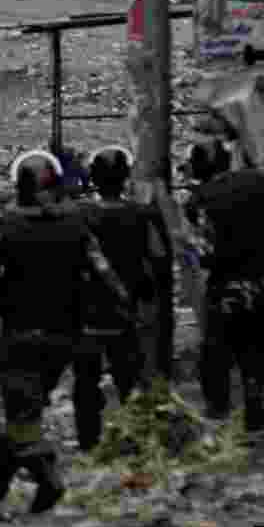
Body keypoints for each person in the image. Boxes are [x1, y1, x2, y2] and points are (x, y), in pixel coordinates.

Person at [0, 149, 134, 521]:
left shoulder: (5, 228)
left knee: (23, 417)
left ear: (18, 186)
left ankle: (46, 475)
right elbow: (107, 279)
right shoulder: (76, 227)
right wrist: (118, 311)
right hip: (63, 338)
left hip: (20, 337)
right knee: (24, 416)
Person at [181, 139, 264, 432]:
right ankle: (255, 406)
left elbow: (205, 251)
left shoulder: (199, 199)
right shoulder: (260, 181)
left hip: (228, 287)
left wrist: (193, 253)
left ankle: (219, 412)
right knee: (256, 347)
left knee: (217, 350)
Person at [71, 146, 164, 451]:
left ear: (94, 177)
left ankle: (88, 442)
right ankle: (134, 440)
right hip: (126, 313)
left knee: (86, 383)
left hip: (86, 315)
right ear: (125, 177)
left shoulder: (79, 214)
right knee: (128, 381)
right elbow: (157, 258)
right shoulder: (141, 213)